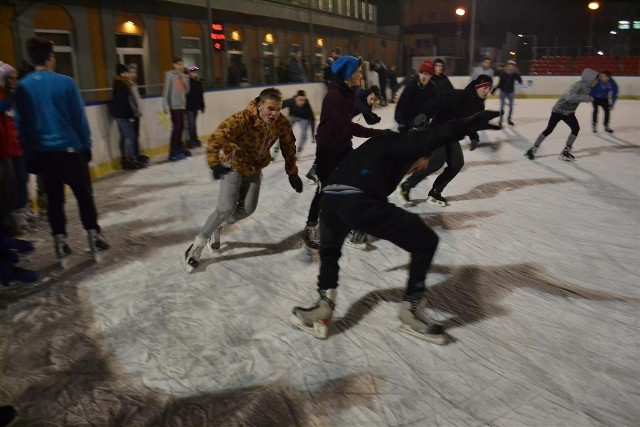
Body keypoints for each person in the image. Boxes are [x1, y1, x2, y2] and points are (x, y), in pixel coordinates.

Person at [290, 110, 501, 343]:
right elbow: (431, 136)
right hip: (356, 201)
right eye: (422, 164)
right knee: (426, 241)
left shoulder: (379, 146)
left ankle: (322, 308)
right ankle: (409, 312)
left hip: (330, 199)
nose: (418, 168)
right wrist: (466, 123)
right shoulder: (404, 142)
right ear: (419, 153)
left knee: (330, 253)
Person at [183, 88, 303, 271]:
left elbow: (288, 145)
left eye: (278, 109)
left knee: (248, 208)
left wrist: (292, 172)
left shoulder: (281, 123)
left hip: (254, 167)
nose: (275, 113)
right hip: (233, 163)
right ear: (260, 105)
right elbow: (217, 138)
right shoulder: (242, 119)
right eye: (271, 108)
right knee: (226, 207)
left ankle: (217, 226)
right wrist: (214, 163)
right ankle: (196, 247)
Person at [14, 37, 109, 266]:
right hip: (70, 151)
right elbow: (79, 119)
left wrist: (29, 154)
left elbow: (20, 125)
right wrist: (85, 145)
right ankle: (93, 236)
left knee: (54, 201)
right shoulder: (66, 83)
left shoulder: (22, 87)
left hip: (44, 155)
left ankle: (60, 241)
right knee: (84, 197)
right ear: (50, 58)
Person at [303, 56, 384, 250]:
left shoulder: (349, 91)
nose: (360, 74)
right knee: (324, 190)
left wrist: (371, 118)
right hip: (328, 150)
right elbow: (348, 127)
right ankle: (310, 227)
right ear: (348, 74)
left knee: (358, 182)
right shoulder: (334, 96)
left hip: (343, 146)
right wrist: (378, 133)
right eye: (357, 71)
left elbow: (357, 113)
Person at [396, 75, 493, 208]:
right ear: (477, 87)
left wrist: (474, 136)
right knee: (436, 161)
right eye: (485, 87)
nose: (487, 91)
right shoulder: (459, 96)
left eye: (489, 88)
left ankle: (435, 192)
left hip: (452, 135)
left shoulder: (479, 106)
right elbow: (437, 101)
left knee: (457, 163)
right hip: (438, 130)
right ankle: (406, 186)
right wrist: (424, 113)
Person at [0, 61, 37, 285]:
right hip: (3, 154)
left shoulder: (8, 97)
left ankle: (7, 247)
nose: (14, 82)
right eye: (10, 78)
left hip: (10, 151)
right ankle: (5, 267)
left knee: (10, 201)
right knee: (4, 206)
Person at [525, 68, 598, 162]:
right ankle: (533, 149)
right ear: (590, 79)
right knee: (549, 129)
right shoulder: (576, 86)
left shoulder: (588, 89)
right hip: (558, 110)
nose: (596, 81)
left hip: (569, 112)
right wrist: (588, 99)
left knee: (575, 129)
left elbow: (588, 97)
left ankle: (566, 151)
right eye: (595, 79)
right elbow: (569, 97)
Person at [111, 64, 144, 170]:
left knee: (125, 137)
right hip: (123, 115)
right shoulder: (121, 85)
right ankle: (130, 160)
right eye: (125, 73)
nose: (127, 74)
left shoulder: (120, 83)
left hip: (120, 115)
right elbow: (125, 102)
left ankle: (126, 159)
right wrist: (131, 115)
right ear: (121, 73)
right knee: (130, 137)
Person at [394, 60, 437, 132]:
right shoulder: (411, 85)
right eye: (421, 73)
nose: (423, 76)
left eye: (426, 74)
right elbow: (401, 105)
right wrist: (401, 123)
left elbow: (433, 106)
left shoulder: (432, 88)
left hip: (422, 121)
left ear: (430, 76)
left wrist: (427, 117)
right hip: (407, 120)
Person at [273, 90, 316, 160]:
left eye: (303, 100)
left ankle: (298, 152)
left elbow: (312, 121)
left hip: (304, 118)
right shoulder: (290, 101)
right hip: (292, 117)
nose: (302, 102)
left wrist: (313, 136)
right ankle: (275, 152)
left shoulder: (307, 107)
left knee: (304, 134)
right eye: (300, 100)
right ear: (296, 98)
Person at [162, 57, 190, 161]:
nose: (181, 67)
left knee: (181, 127)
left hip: (182, 105)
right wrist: (164, 105)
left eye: (182, 64)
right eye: (178, 64)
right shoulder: (170, 75)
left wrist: (185, 80)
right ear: (174, 65)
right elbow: (166, 91)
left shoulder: (183, 76)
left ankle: (179, 147)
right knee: (177, 128)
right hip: (174, 105)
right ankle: (173, 151)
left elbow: (186, 91)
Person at [125, 63, 149, 166]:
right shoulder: (127, 85)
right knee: (132, 136)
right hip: (132, 114)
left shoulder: (134, 84)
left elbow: (137, 99)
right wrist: (135, 112)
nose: (134, 74)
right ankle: (132, 157)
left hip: (137, 114)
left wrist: (140, 110)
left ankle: (136, 154)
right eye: (131, 72)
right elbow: (130, 101)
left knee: (136, 135)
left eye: (135, 72)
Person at [492, 59, 522, 127]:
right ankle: (501, 120)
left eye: (512, 67)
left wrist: (517, 74)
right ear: (507, 67)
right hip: (503, 92)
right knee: (502, 106)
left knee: (511, 106)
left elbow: (520, 81)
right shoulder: (503, 74)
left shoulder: (515, 74)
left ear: (513, 68)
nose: (510, 68)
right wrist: (494, 90)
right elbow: (499, 84)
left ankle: (509, 119)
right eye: (509, 66)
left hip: (511, 92)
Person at [590, 69, 618, 133]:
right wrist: (591, 88)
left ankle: (606, 126)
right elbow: (590, 89)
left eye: (603, 76)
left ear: (608, 78)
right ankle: (594, 125)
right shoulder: (596, 80)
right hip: (595, 98)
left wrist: (612, 104)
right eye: (600, 76)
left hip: (604, 99)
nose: (600, 77)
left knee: (607, 111)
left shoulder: (612, 84)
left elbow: (614, 94)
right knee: (595, 110)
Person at [185, 66, 205, 148]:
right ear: (189, 73)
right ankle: (192, 141)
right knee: (191, 124)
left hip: (196, 106)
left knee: (193, 124)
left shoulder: (198, 82)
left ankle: (195, 139)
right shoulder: (187, 82)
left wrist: (202, 106)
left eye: (195, 72)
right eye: (192, 72)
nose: (194, 73)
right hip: (189, 106)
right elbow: (186, 94)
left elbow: (200, 95)